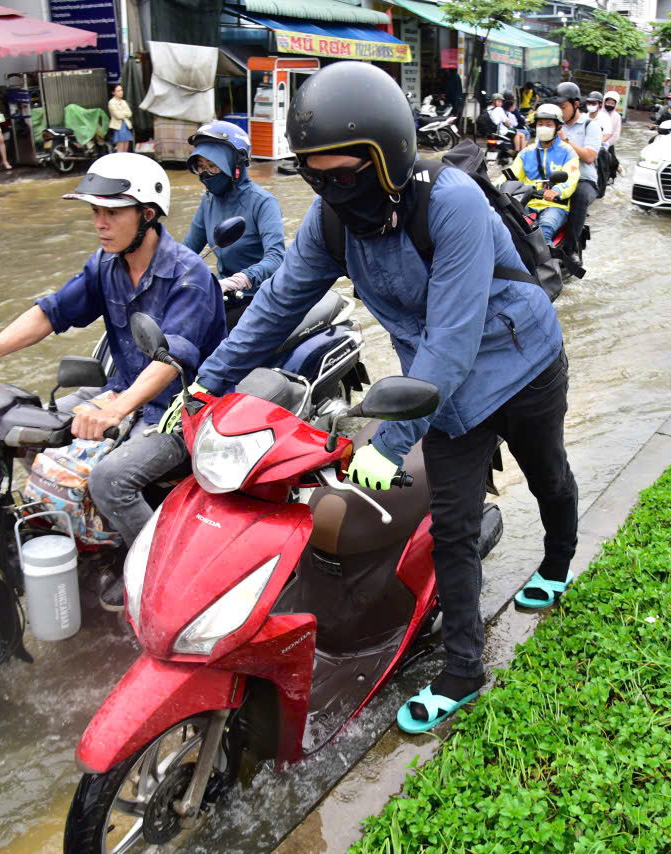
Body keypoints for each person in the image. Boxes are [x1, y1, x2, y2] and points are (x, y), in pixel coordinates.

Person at [184, 61, 576, 734]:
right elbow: (276, 305)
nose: (333, 190)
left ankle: (560, 560)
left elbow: (452, 341)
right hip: (439, 392)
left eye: (345, 175)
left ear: (387, 158)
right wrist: (205, 382)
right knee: (452, 523)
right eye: (315, 175)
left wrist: (388, 445)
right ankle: (463, 671)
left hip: (520, 359)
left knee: (547, 472)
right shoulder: (332, 221)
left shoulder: (451, 202)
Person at [0, 153, 226, 610]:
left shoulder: (189, 274)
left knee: (110, 480)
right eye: (95, 212)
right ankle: (77, 532)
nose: (100, 223)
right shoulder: (105, 265)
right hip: (125, 387)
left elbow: (172, 359)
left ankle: (154, 570)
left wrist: (117, 408)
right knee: (30, 428)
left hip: (185, 407)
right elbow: (52, 312)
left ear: (147, 215)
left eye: (112, 212)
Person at [183, 121, 286, 329]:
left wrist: (241, 279)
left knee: (221, 349)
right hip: (221, 295)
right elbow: (187, 252)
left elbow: (276, 257)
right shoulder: (209, 201)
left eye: (212, 166)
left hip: (258, 298)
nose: (206, 174)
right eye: (201, 167)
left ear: (235, 166)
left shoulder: (263, 202)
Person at [506, 101, 580, 243]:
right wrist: (490, 188)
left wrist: (557, 191)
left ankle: (550, 265)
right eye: (540, 124)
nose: (543, 128)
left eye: (548, 124)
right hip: (528, 204)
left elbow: (571, 178)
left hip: (555, 206)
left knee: (544, 230)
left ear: (557, 126)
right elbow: (510, 175)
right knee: (509, 229)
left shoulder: (568, 152)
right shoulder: (526, 152)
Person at [553, 81, 597, 266]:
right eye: (557, 107)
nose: (560, 112)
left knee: (579, 195)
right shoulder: (554, 125)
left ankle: (570, 250)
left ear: (576, 104)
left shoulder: (590, 126)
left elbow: (589, 156)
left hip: (584, 180)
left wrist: (566, 141)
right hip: (560, 176)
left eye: (563, 107)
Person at [599, 92, 623, 188]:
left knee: (612, 162)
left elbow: (616, 134)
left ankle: (613, 174)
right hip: (596, 142)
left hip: (609, 143)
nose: (609, 105)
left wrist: (606, 143)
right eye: (608, 102)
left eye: (612, 103)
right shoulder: (598, 113)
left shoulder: (617, 117)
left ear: (616, 104)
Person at [108, 84, 134, 153]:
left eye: (121, 90)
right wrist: (124, 113)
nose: (121, 92)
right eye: (118, 91)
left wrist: (122, 113)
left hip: (126, 125)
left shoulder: (124, 102)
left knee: (126, 146)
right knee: (120, 147)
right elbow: (117, 115)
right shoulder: (111, 102)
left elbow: (130, 113)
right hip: (118, 126)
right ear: (113, 92)